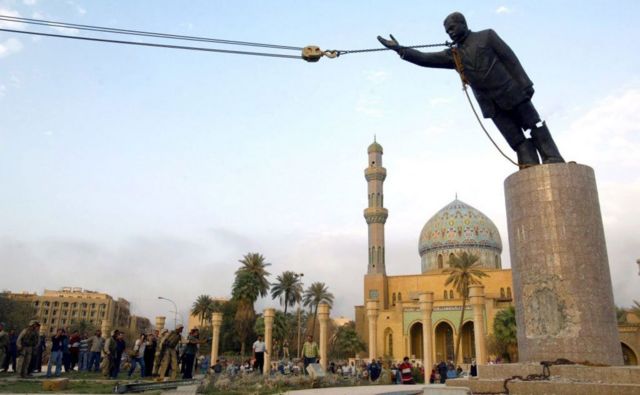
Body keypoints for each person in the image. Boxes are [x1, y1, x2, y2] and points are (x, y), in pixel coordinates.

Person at [377, 12, 564, 169]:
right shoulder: (454, 55)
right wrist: (400, 50)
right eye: (447, 31)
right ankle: (528, 164)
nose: (450, 33)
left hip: (511, 92)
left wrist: (525, 84)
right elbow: (426, 59)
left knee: (534, 125)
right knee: (515, 139)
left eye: (452, 28)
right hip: (491, 105)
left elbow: (510, 59)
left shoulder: (487, 36)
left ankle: (552, 157)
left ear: (463, 24)